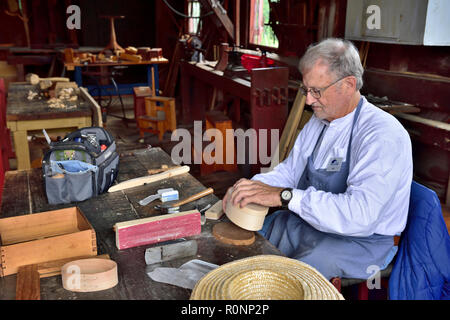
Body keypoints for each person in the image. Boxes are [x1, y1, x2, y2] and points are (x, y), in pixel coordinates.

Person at [222, 38, 413, 280]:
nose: (309, 101)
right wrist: (253, 187)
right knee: (249, 249)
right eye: (306, 90)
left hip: (360, 241)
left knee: (290, 281)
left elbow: (361, 215)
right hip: (311, 224)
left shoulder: (383, 135)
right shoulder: (320, 121)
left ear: (348, 84)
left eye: (316, 91)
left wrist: (285, 196)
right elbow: (290, 172)